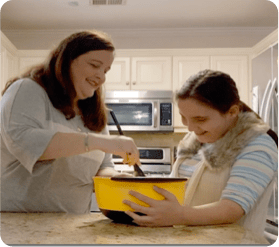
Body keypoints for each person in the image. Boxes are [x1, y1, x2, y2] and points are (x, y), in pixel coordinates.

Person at [123, 70, 278, 236]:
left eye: (200, 119)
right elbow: (177, 188)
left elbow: (232, 208)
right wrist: (137, 185)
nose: (189, 128)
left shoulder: (257, 144)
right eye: (184, 117)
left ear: (232, 112)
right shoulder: (198, 137)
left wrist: (179, 215)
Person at [0, 30, 140, 214]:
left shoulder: (94, 116)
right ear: (66, 61)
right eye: (95, 65)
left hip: (73, 225)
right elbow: (26, 142)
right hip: (19, 223)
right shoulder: (27, 90)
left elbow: (103, 167)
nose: (102, 77)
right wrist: (102, 142)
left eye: (106, 70)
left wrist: (117, 178)